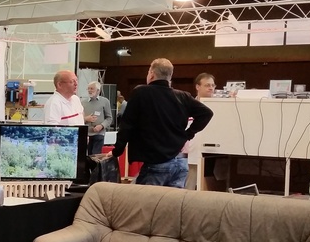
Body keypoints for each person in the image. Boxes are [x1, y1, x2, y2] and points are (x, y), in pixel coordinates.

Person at [107, 58, 213, 188]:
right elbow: (207, 113)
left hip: (156, 163)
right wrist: (187, 134)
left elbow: (126, 125)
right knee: (171, 201)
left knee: (144, 200)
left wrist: (117, 151)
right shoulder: (183, 96)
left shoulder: (141, 93)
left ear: (151, 74)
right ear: (170, 76)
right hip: (181, 163)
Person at [83, 81, 113, 155]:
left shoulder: (105, 101)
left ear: (98, 90)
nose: (89, 90)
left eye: (92, 89)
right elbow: (78, 118)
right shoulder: (83, 103)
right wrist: (86, 119)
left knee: (95, 155)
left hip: (99, 133)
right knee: (88, 156)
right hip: (86, 134)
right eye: (88, 89)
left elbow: (109, 118)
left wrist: (101, 126)